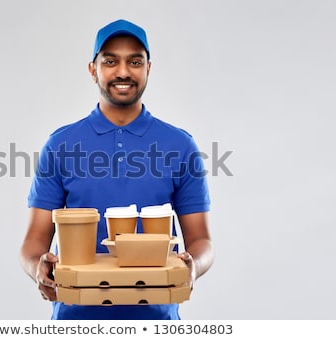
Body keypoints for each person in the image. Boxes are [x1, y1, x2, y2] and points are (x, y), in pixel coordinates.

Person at [20, 19, 214, 320]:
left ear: (148, 68)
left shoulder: (180, 145)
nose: (123, 72)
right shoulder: (60, 145)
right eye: (110, 61)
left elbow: (201, 240)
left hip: (156, 322)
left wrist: (193, 266)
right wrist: (38, 268)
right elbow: (34, 240)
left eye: (135, 61)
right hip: (76, 322)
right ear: (92, 69)